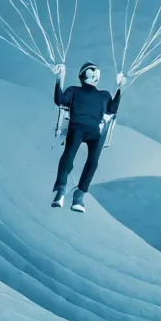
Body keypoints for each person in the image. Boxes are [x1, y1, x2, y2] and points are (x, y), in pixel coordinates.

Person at [51, 62, 124, 212]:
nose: (95, 76)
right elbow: (60, 100)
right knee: (68, 156)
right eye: (91, 74)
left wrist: (120, 88)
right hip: (77, 127)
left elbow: (112, 109)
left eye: (97, 74)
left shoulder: (104, 94)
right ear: (82, 76)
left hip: (95, 132)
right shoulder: (74, 90)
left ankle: (79, 195)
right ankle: (61, 190)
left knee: (93, 162)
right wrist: (60, 77)